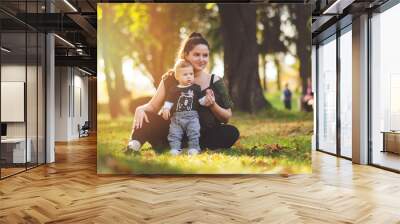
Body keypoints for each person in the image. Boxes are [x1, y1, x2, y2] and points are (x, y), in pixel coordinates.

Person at [127, 32, 239, 152]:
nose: (202, 59)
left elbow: (227, 117)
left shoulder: (216, 81)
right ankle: (133, 146)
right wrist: (141, 109)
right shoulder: (170, 78)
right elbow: (153, 106)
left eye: (205, 55)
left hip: (203, 135)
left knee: (231, 132)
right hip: (172, 132)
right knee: (146, 116)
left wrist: (213, 105)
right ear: (186, 55)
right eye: (196, 55)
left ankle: (191, 147)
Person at [161, 59, 207, 155]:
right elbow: (168, 101)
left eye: (191, 74)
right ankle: (175, 149)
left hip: (192, 117)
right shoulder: (174, 89)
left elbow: (201, 101)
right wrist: (166, 108)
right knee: (174, 134)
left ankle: (194, 148)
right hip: (176, 118)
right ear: (177, 76)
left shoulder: (196, 88)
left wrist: (207, 99)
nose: (189, 76)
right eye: (185, 74)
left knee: (194, 132)